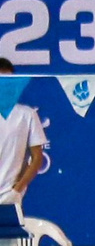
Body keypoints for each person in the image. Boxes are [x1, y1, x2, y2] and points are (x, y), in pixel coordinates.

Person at [0, 57, 47, 210]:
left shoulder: (27, 114)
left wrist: (17, 190)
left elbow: (37, 157)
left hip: (9, 196)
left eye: (8, 81)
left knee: (9, 234)